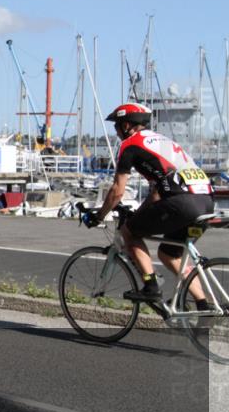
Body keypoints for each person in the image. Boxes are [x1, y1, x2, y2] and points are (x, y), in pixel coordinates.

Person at [89, 103, 215, 306]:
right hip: (206, 202)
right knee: (170, 254)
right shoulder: (163, 141)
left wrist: (99, 215)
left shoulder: (131, 144)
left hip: (181, 203)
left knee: (129, 233)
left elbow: (117, 191)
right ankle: (203, 304)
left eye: (117, 127)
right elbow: (157, 193)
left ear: (127, 125)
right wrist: (140, 213)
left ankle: (151, 287)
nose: (117, 132)